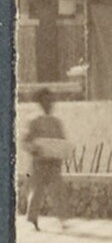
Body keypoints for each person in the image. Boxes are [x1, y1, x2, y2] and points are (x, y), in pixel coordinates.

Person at [21, 99, 70, 230]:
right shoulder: (34, 121)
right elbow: (24, 142)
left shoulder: (56, 122)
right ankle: (33, 220)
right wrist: (34, 148)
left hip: (54, 163)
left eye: (50, 103)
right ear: (41, 104)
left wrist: (61, 151)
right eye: (46, 102)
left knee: (58, 190)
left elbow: (62, 141)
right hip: (39, 163)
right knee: (37, 192)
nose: (49, 105)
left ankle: (63, 219)